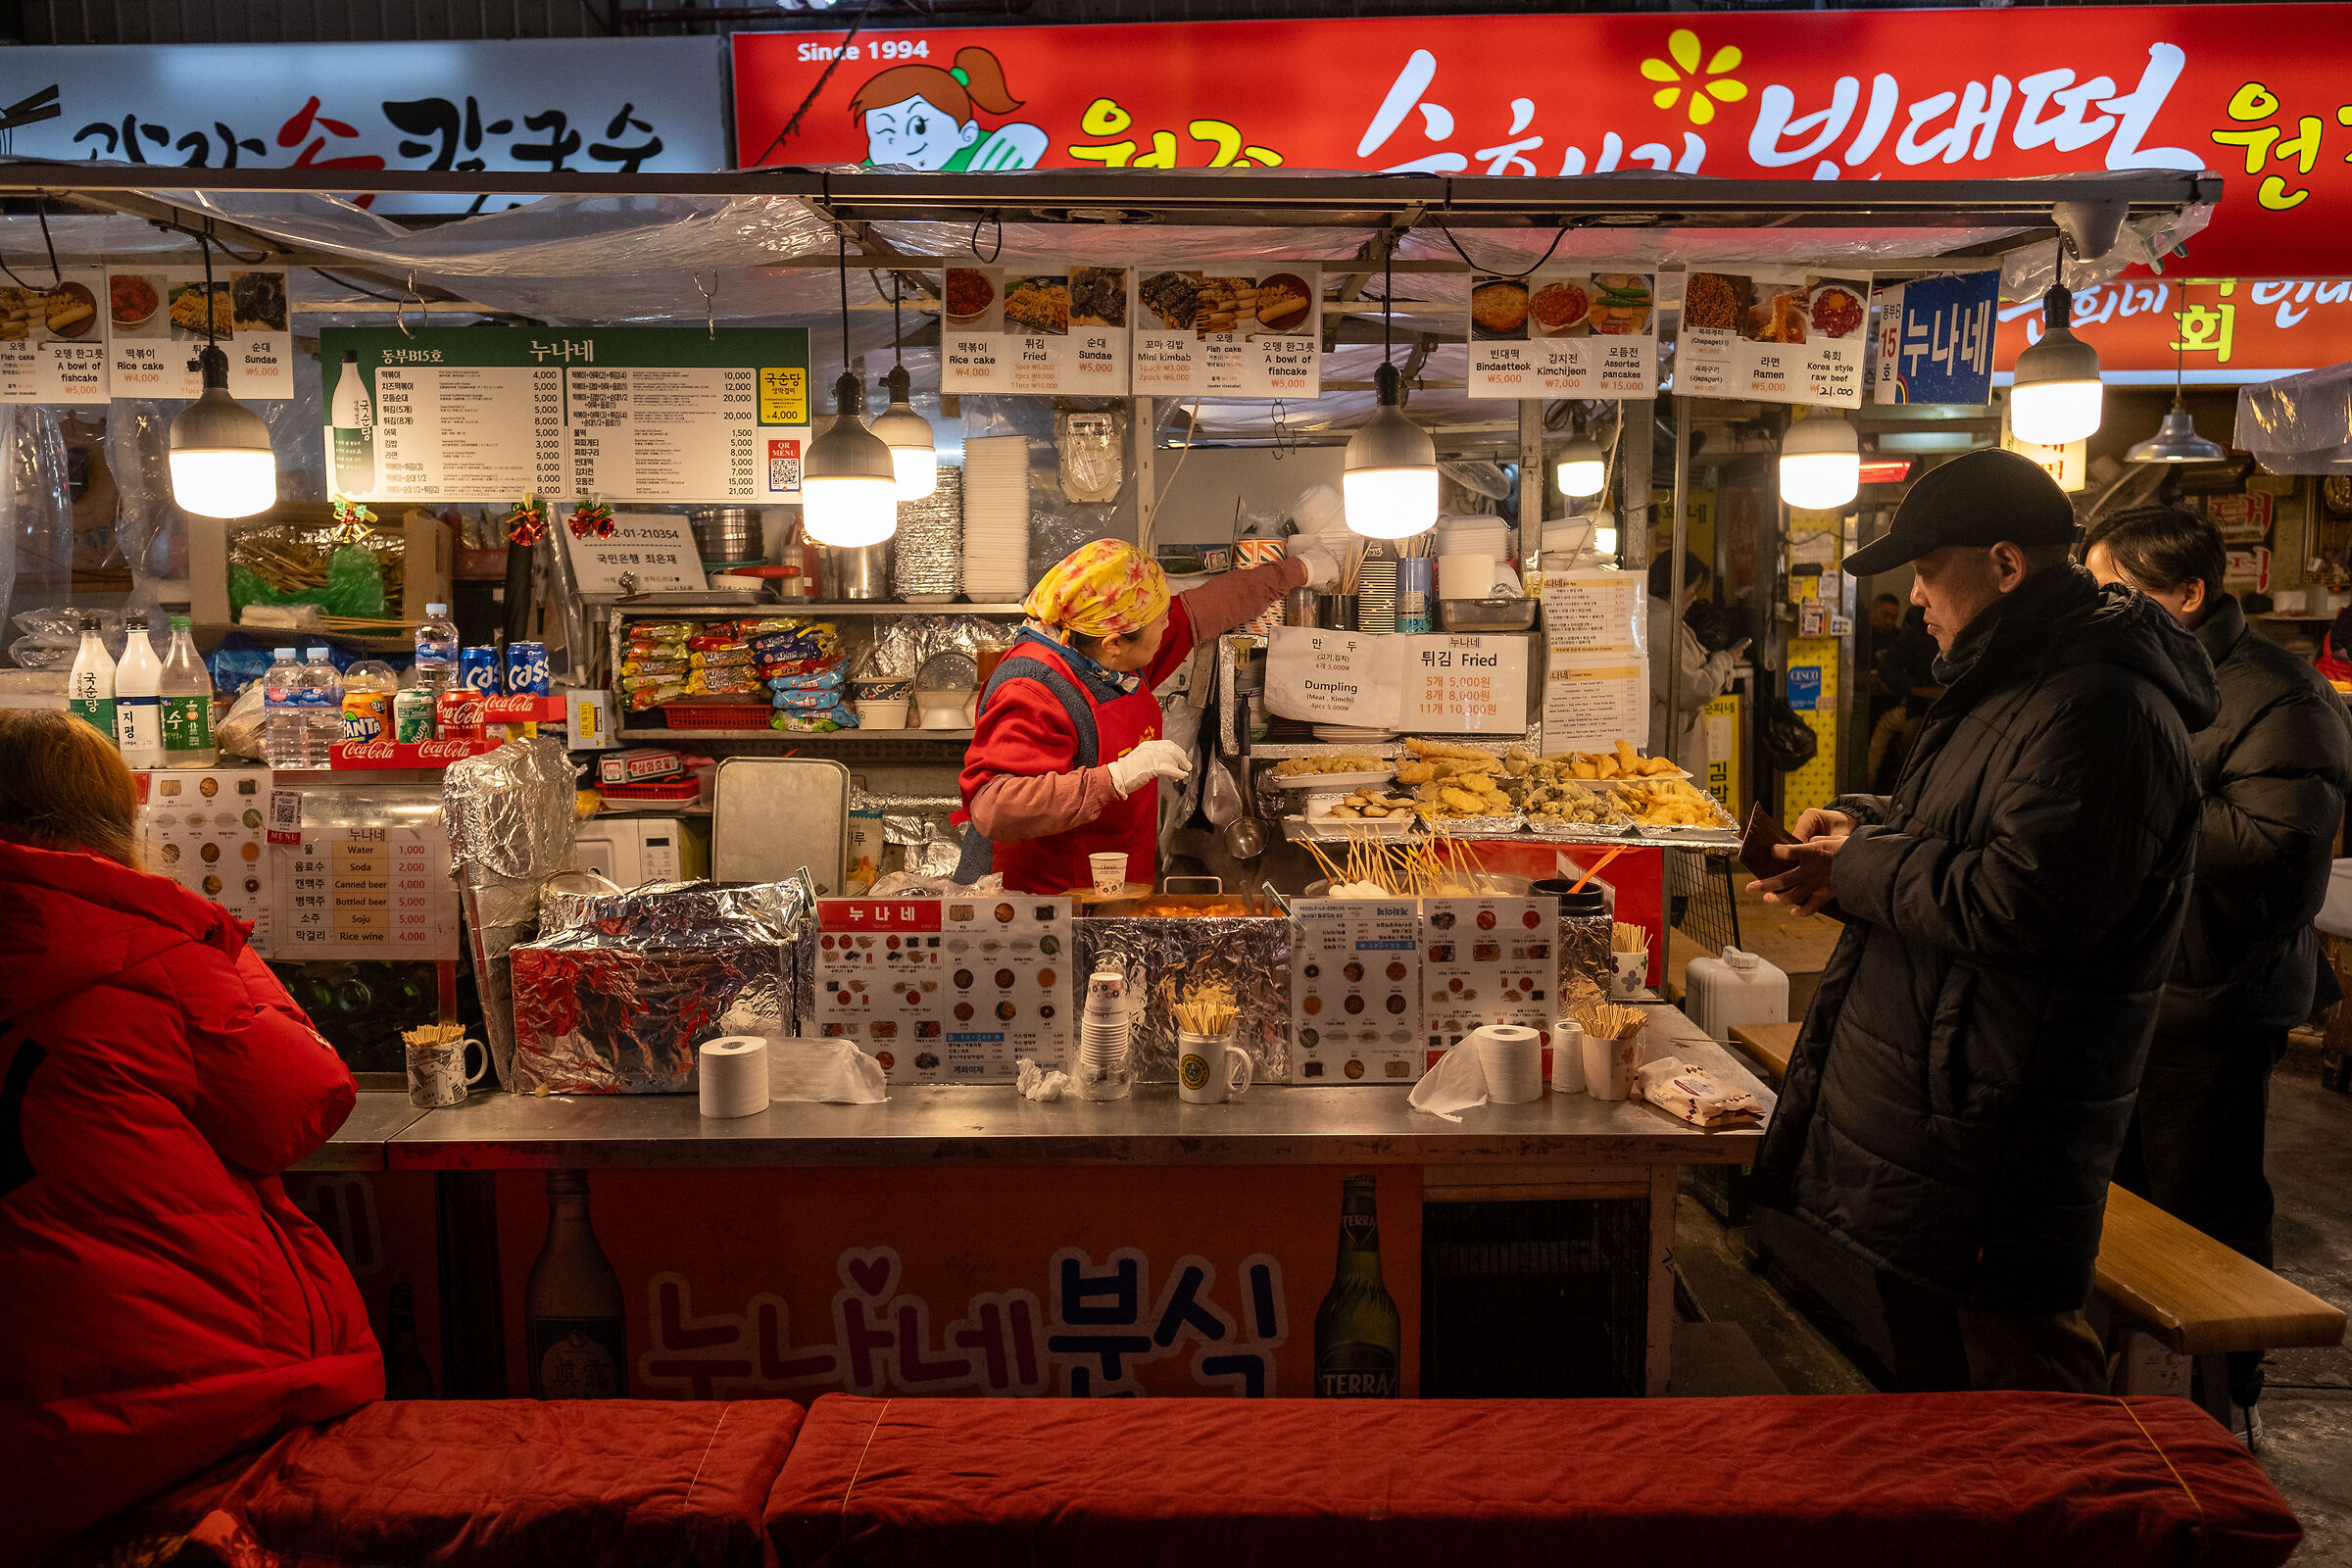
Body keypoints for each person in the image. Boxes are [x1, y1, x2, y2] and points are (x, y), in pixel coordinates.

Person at [1745, 449, 2218, 1396]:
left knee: (2024, 1408)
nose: (1916, 599)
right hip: (1944, 1106)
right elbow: (1962, 832)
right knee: (1940, 1396)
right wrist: (1862, 832)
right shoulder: (2015, 678)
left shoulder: (2101, 708)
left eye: (1927, 572)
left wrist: (1861, 865)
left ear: (2005, 566)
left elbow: (2025, 902)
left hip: (1999, 1123)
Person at [0, 710, 381, 1560]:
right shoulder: (150, 950)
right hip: (177, 1407)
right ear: (116, 814)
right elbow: (302, 1104)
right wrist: (214, 942)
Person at [2083, 505, 2352, 1431]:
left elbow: (2275, 843)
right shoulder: (2138, 677)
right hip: (2131, 982)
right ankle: (2135, 1389)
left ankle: (2224, 1398)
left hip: (2215, 995)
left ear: (2187, 594)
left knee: (2205, 1202)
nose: (2096, 613)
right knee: (2122, 1197)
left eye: (2113, 594)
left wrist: (2122, 805)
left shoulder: (2282, 696)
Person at [959, 538, 1335, 895]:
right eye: (1159, 621)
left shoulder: (1105, 652)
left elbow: (1203, 608)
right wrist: (1115, 778)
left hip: (1107, 891)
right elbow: (994, 807)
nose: (1169, 624)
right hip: (1037, 907)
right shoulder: (1033, 688)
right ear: (1115, 643)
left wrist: (1301, 570)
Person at [850, 47, 1047, 172]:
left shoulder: (990, 153)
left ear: (967, 134)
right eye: (885, 132)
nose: (904, 142)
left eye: (919, 127)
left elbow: (1030, 138)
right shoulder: (868, 174)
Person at [1645, 551, 1748, 775]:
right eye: (1691, 592)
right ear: (1674, 586)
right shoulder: (1661, 625)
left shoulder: (1660, 618)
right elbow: (1690, 688)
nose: (1693, 599)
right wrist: (1724, 661)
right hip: (1668, 752)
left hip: (1669, 746)